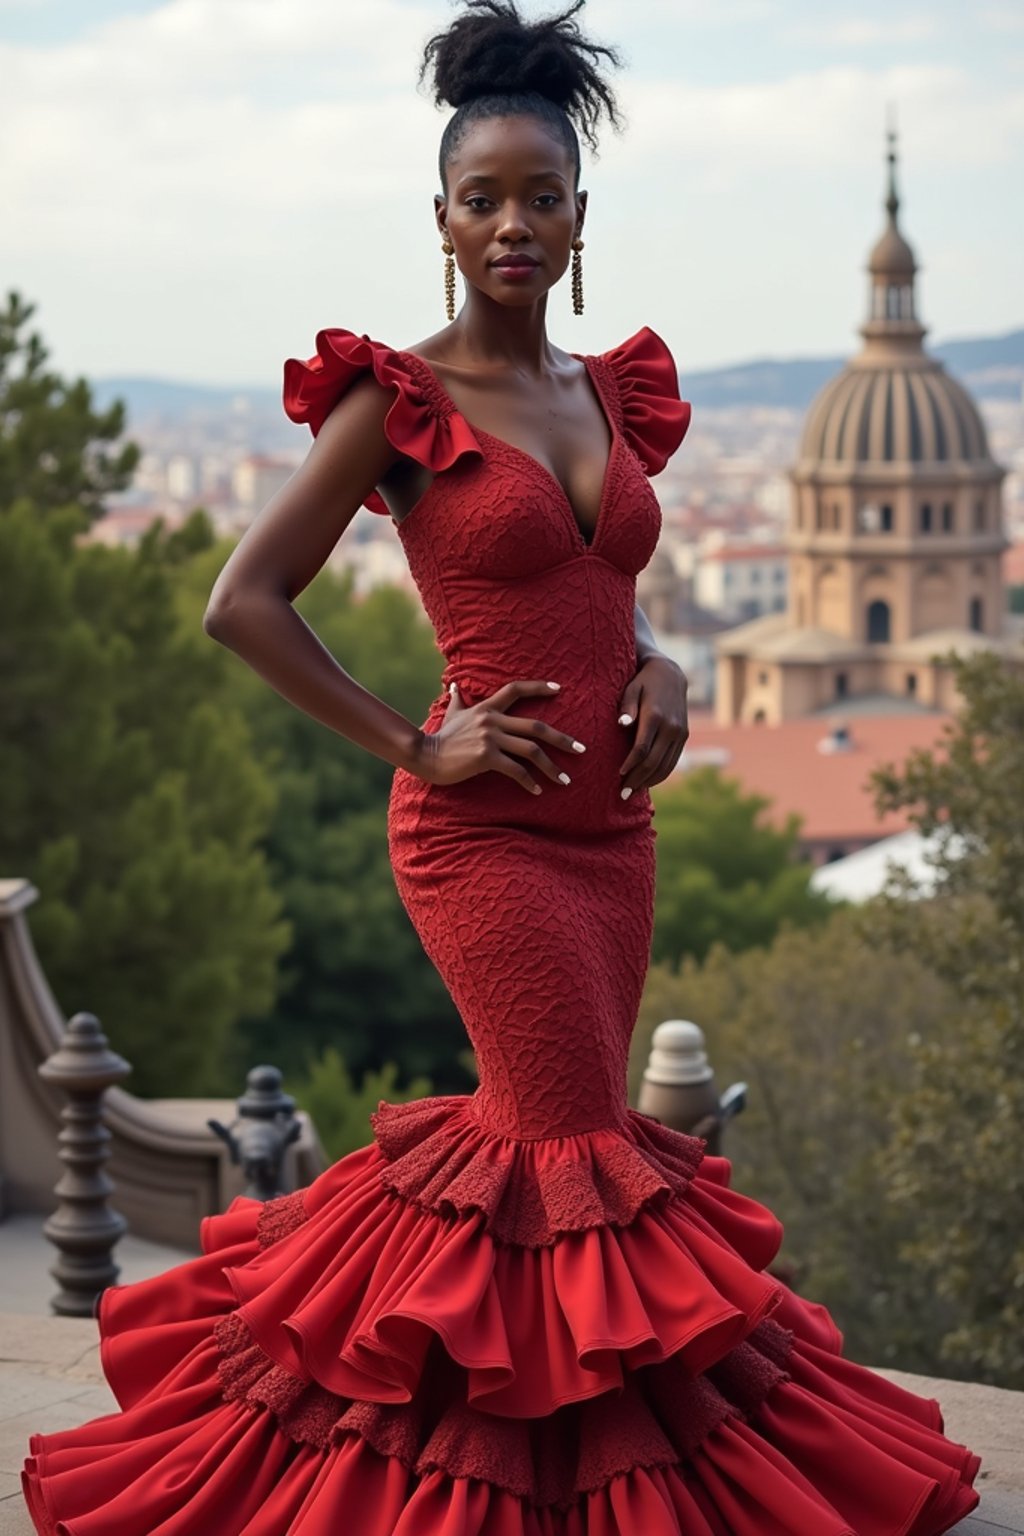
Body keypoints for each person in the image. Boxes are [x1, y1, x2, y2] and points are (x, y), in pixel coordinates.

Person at [23, 3, 982, 1532]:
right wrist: (418, 737)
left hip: (615, 837)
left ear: (581, 216)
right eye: (485, 199)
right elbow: (239, 604)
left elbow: (607, 590)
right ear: (444, 221)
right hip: (482, 838)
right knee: (559, 1152)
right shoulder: (394, 398)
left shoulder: (614, 395)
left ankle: (551, 1471)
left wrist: (662, 659)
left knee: (568, 1161)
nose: (514, 223)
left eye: (542, 196)